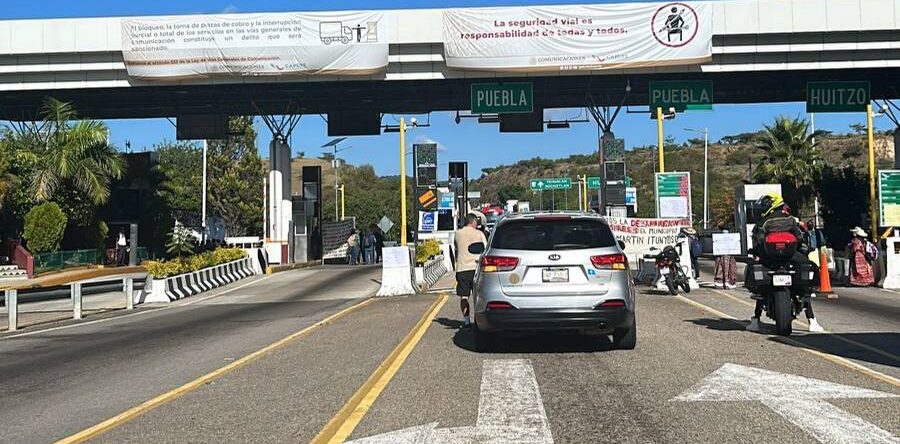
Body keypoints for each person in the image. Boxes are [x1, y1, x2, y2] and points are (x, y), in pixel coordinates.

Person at [746, 193, 823, 333]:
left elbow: (758, 241)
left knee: (762, 289)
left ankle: (755, 320)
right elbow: (799, 238)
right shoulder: (789, 219)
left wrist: (756, 252)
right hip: (790, 257)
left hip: (770, 259)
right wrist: (804, 249)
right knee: (805, 285)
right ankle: (812, 320)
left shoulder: (764, 222)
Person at [454, 213, 487, 327]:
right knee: (478, 297)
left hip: (462, 269)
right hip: (476, 269)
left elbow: (457, 247)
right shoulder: (480, 234)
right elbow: (485, 249)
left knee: (464, 296)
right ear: (474, 222)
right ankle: (478, 321)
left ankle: (467, 321)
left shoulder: (458, 234)